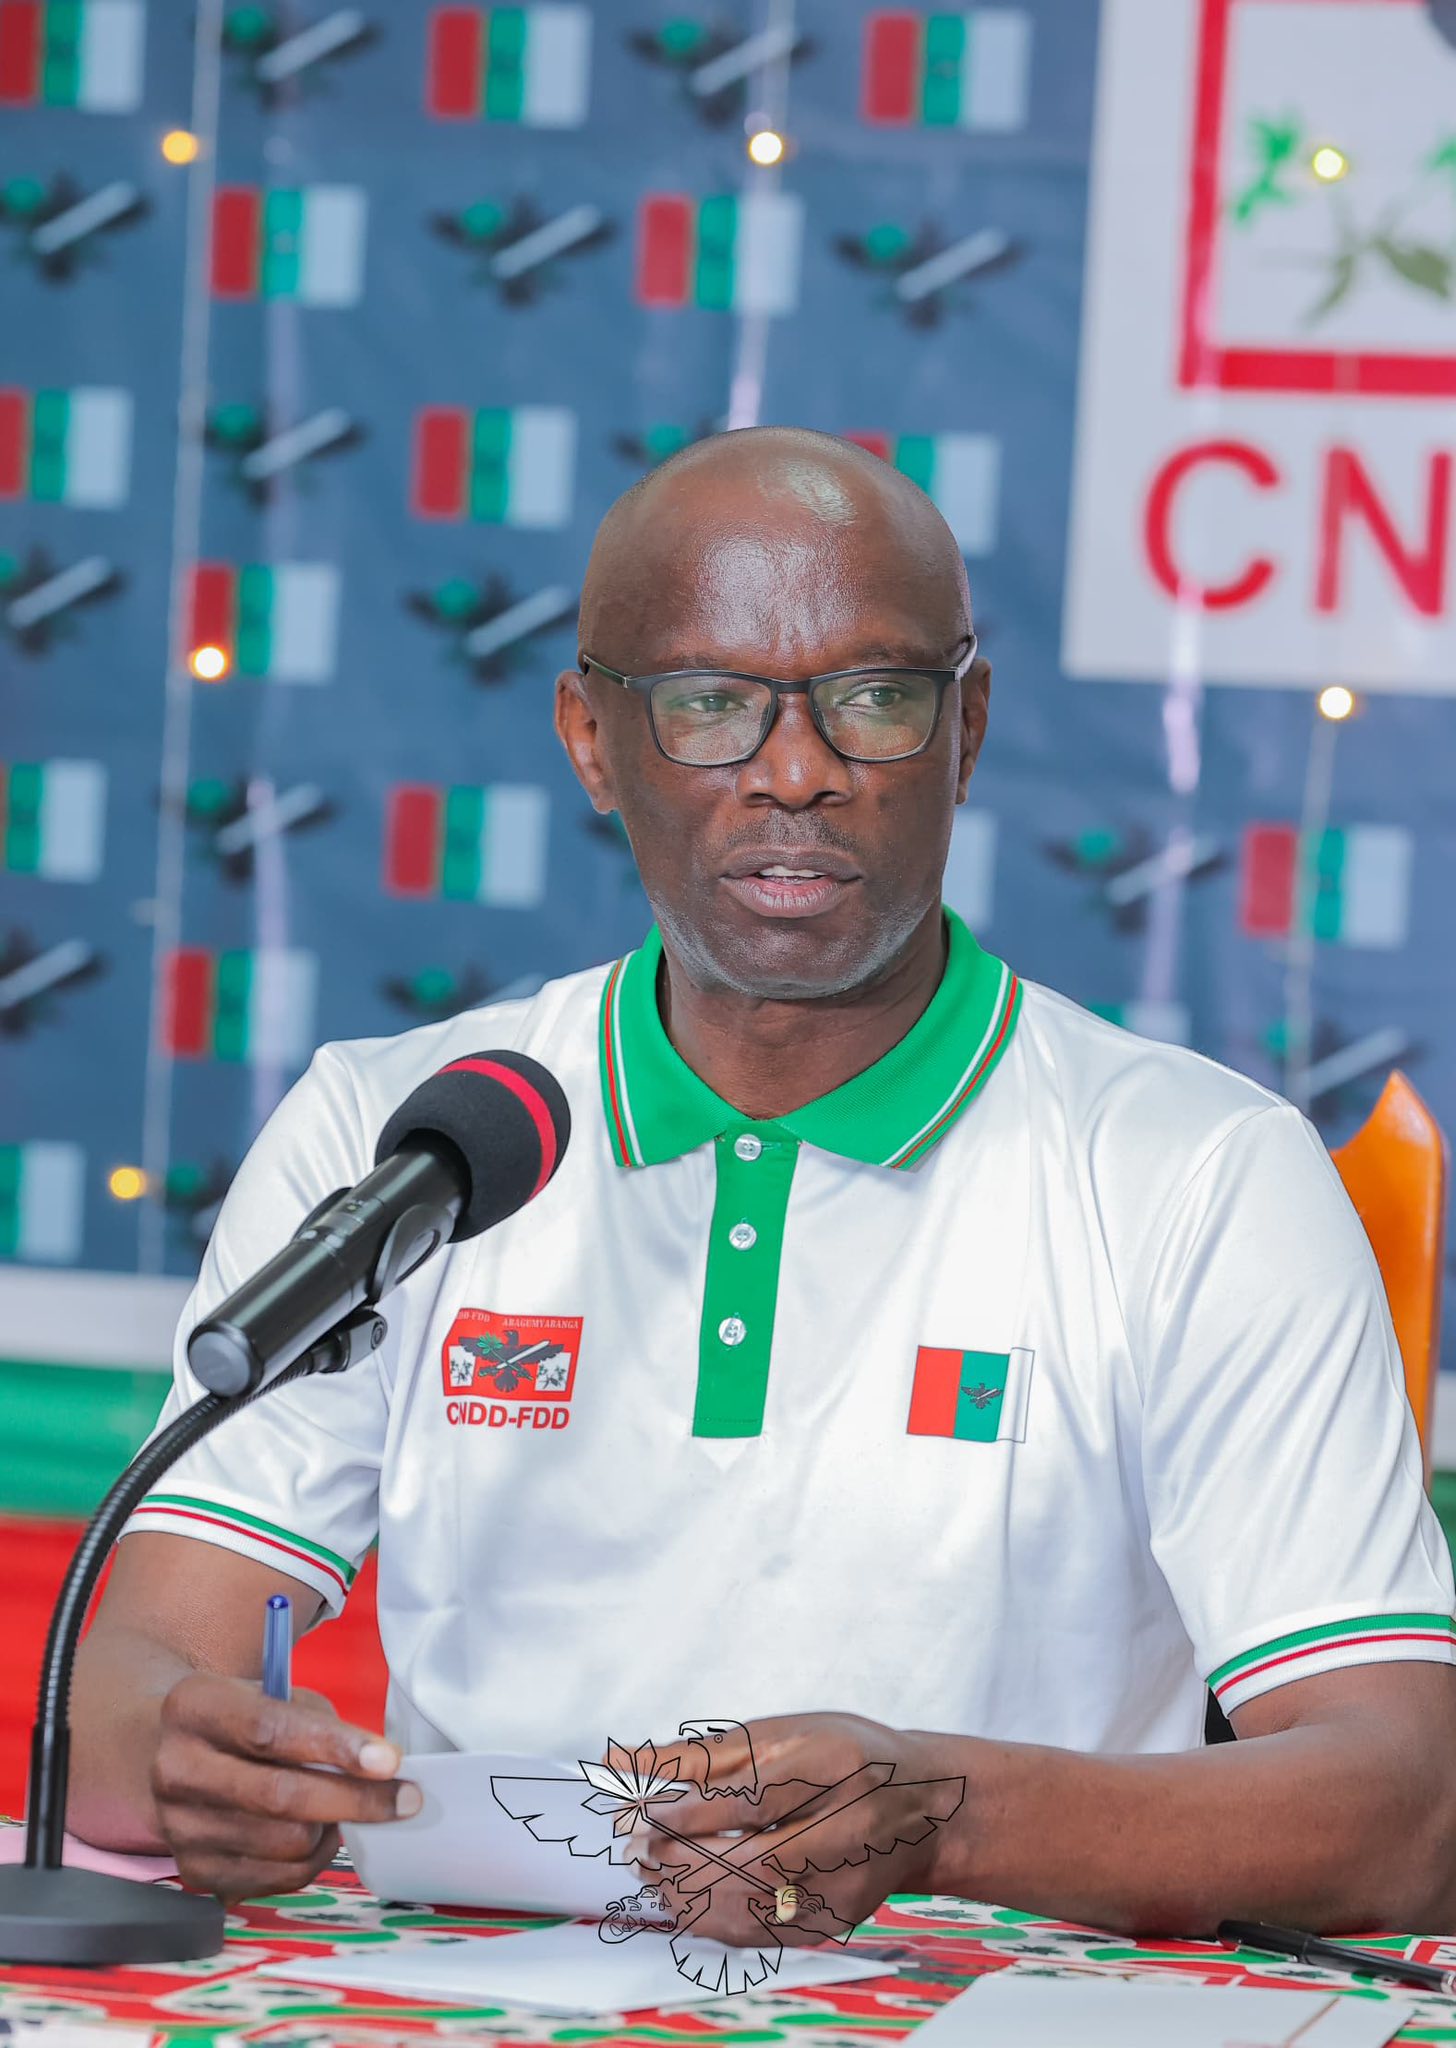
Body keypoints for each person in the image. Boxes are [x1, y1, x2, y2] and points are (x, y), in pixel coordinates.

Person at [70, 428, 1456, 1938]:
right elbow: (129, 1677)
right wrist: (181, 1762)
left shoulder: (1196, 1174)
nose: (797, 773)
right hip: (479, 2001)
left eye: (876, 698)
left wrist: (942, 1814)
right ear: (592, 741)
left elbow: (1412, 1809)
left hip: (995, 2008)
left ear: (967, 729)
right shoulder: (406, 1139)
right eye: (709, 704)